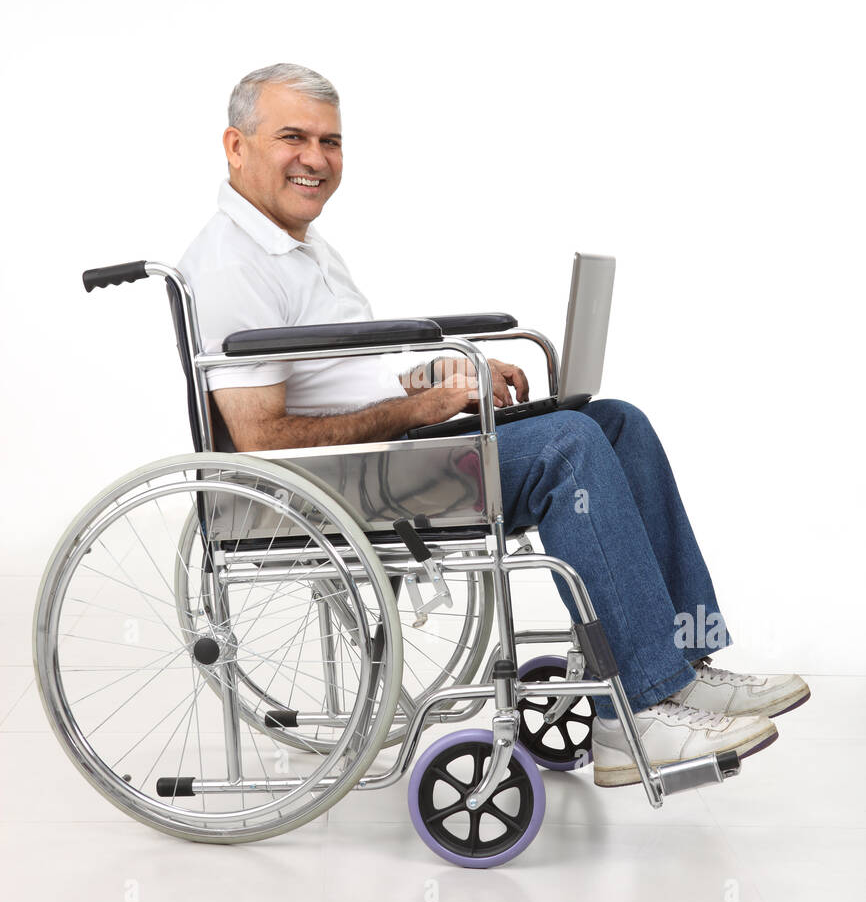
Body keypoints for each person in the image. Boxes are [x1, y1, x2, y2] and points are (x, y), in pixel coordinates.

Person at [179, 63, 810, 787]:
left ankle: (684, 664)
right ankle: (634, 711)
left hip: (394, 447)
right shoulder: (234, 263)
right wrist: (422, 409)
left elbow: (349, 368)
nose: (317, 159)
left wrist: (447, 377)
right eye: (293, 137)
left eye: (331, 141)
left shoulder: (305, 248)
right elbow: (261, 439)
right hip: (338, 482)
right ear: (236, 146)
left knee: (617, 424)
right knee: (570, 448)